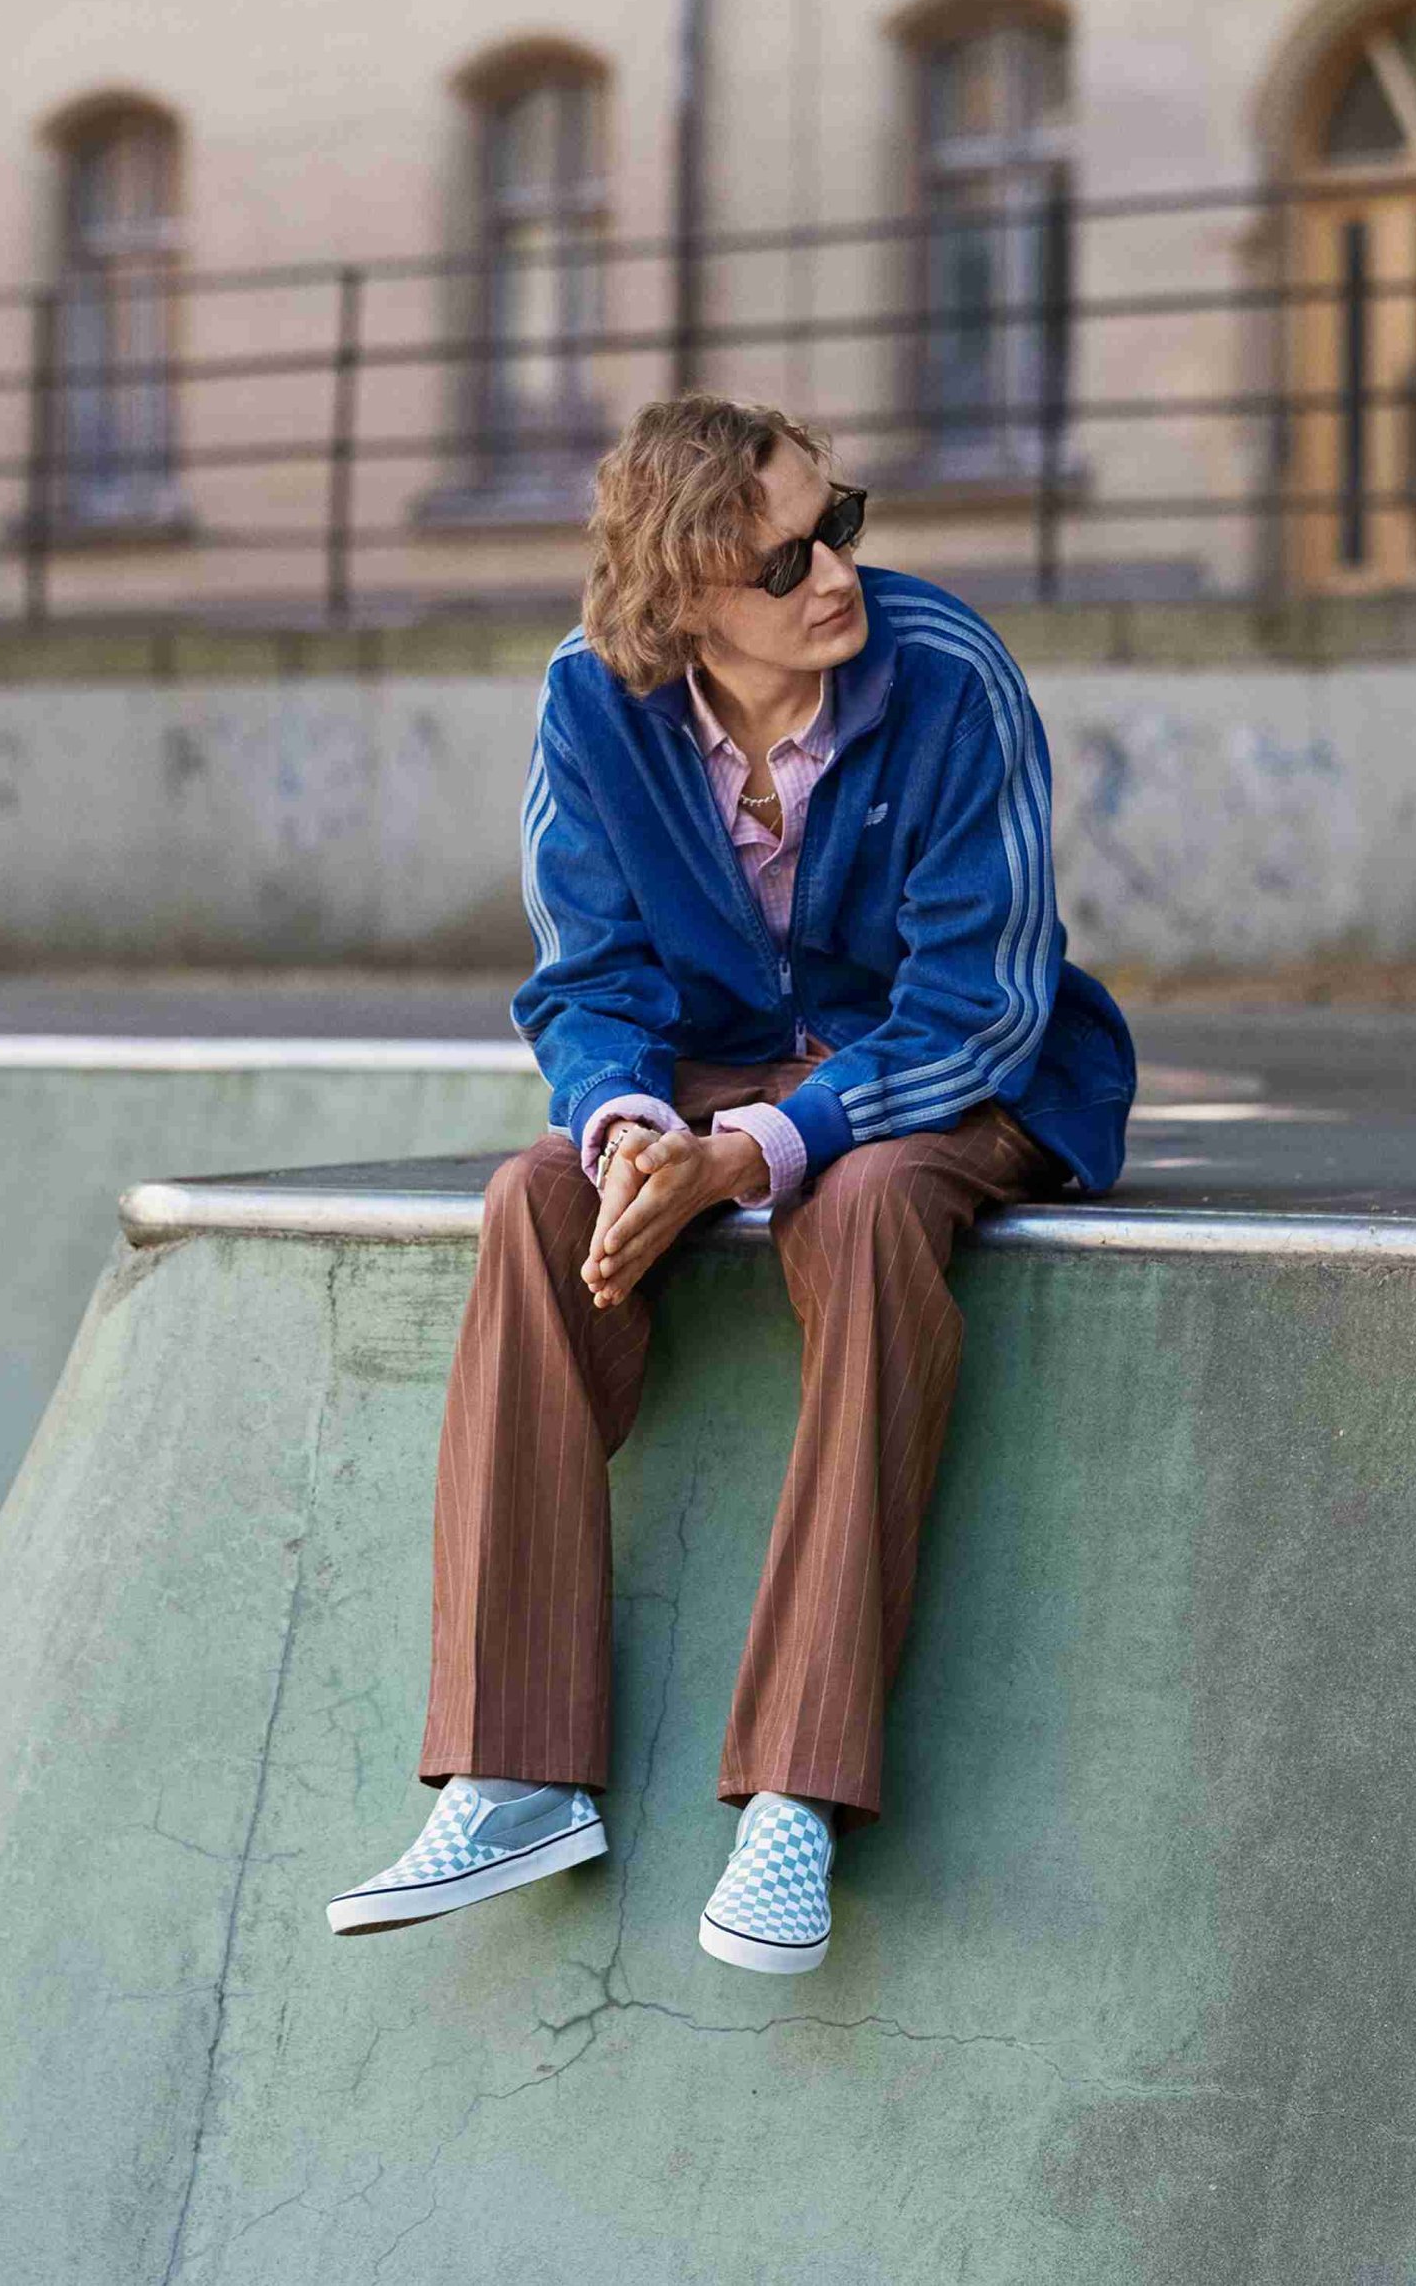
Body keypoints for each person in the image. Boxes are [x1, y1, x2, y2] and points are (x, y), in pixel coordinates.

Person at [327, 393, 1135, 1973]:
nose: (834, 572)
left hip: (949, 1073)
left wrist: (757, 1153)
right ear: (681, 591)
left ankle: (794, 1792)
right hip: (708, 1073)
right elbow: (585, 976)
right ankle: (514, 1772)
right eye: (784, 560)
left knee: (869, 1207)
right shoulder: (591, 695)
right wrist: (631, 1132)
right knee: (535, 1200)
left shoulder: (951, 677)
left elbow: (983, 1001)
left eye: (842, 523)